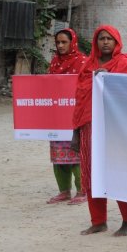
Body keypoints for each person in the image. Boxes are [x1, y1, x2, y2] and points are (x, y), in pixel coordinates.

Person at [71, 25, 127, 236]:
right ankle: (98, 221)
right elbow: (79, 101)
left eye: (110, 38)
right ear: (95, 42)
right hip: (89, 129)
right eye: (101, 39)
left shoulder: (125, 64)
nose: (105, 42)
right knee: (91, 174)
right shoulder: (87, 66)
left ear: (117, 42)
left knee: (119, 173)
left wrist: (110, 79)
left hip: (115, 129)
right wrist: (75, 132)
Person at [46, 28, 88, 205]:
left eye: (64, 42)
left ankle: (82, 190)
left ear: (73, 43)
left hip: (76, 116)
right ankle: (64, 191)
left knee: (76, 153)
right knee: (58, 154)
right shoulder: (55, 62)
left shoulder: (83, 62)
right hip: (57, 117)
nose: (61, 45)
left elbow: (87, 86)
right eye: (58, 42)